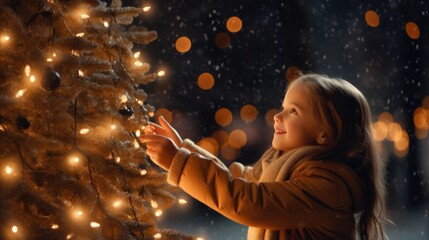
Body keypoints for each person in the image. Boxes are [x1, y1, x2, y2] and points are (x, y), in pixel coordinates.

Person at [140, 73, 390, 240]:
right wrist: (183, 149)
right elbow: (237, 181)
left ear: (324, 134)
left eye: (293, 111)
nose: (277, 116)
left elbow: (249, 202)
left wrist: (179, 160)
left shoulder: (327, 187)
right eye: (283, 107)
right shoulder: (286, 169)